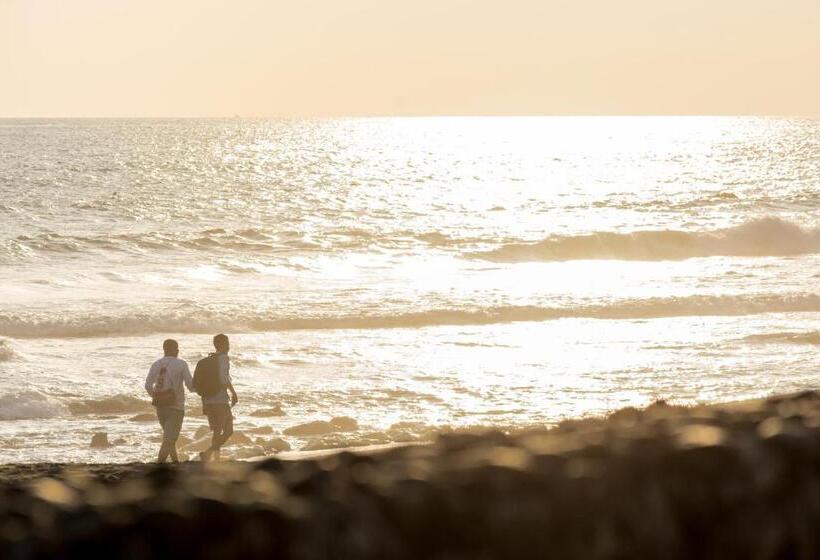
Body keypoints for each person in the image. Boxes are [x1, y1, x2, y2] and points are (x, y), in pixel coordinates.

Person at [144, 339, 193, 463]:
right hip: (176, 407)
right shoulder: (181, 364)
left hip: (160, 407)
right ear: (176, 350)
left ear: (164, 350)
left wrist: (156, 396)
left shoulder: (156, 364)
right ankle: (159, 466)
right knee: (169, 439)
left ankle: (175, 462)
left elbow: (148, 385)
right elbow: (190, 386)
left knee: (169, 437)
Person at [199, 333, 238, 461]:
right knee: (228, 430)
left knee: (217, 429)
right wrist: (233, 393)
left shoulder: (210, 359)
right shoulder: (224, 358)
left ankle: (215, 458)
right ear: (221, 345)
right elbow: (223, 378)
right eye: (227, 343)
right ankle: (209, 454)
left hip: (208, 399)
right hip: (220, 399)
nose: (229, 346)